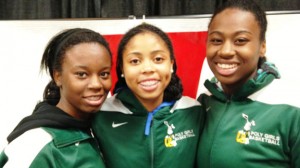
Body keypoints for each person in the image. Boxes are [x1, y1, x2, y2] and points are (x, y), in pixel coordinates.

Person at [196, 0, 300, 167]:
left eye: (240, 40)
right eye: (216, 40)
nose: (225, 51)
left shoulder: (293, 108)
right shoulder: (202, 103)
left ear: (262, 47)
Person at [92, 23, 204, 168]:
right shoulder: (101, 115)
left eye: (158, 59)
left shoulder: (193, 111)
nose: (147, 69)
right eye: (135, 61)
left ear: (171, 64)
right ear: (122, 69)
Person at [0, 28, 112, 167]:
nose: (96, 84)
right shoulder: (35, 143)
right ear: (57, 76)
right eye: (82, 74)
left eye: (104, 74)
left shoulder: (102, 129)